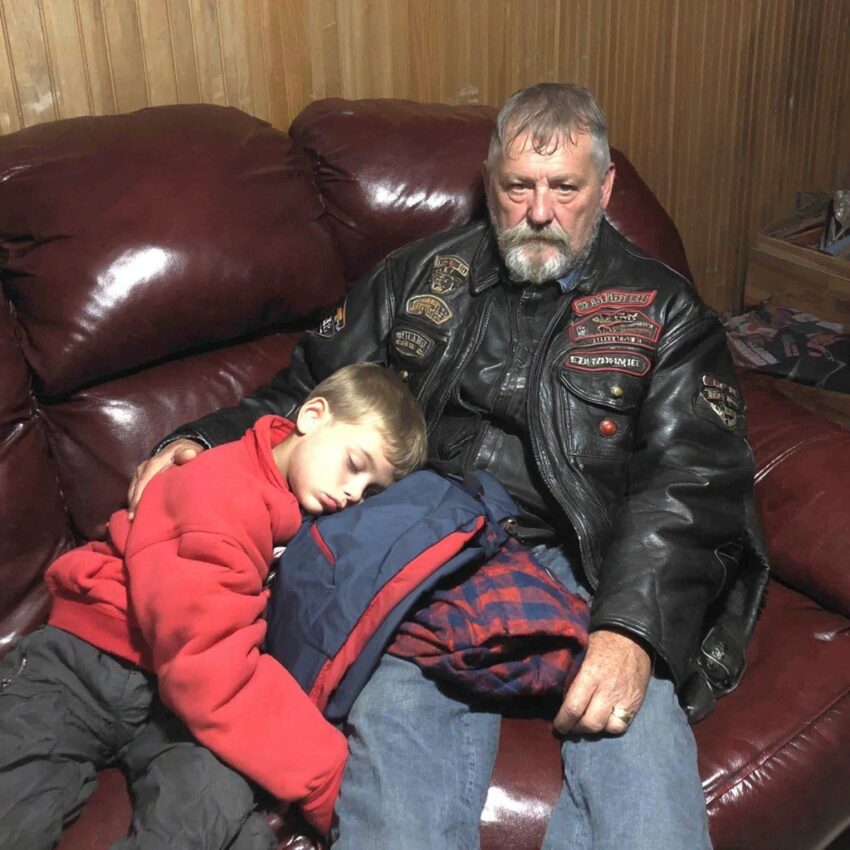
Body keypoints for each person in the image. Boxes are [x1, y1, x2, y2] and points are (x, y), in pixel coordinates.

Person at [130, 84, 764, 849]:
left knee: (637, 747)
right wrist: (202, 440)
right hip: (425, 553)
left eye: (564, 189)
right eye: (518, 186)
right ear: (489, 182)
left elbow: (690, 483)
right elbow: (309, 393)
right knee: (396, 755)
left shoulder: (666, 310)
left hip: (589, 567)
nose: (539, 212)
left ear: (604, 189)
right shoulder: (415, 273)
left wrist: (631, 631)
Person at [0, 363, 427, 850]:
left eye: (370, 490)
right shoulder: (223, 488)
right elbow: (209, 662)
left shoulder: (305, 511)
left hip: (169, 703)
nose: (353, 493)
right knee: (13, 803)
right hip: (88, 661)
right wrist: (332, 781)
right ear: (312, 416)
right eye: (354, 464)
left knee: (217, 807)